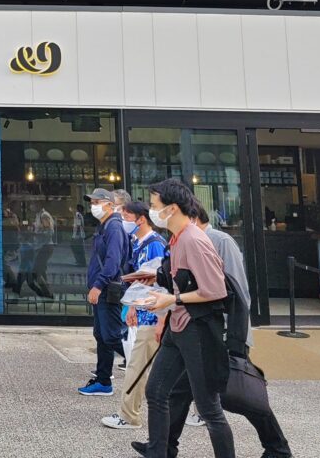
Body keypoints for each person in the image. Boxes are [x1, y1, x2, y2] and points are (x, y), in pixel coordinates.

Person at [135, 207, 292, 458]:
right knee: (179, 391)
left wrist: (231, 335)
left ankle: (278, 447)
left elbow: (237, 291)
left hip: (222, 332)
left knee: (241, 393)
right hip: (193, 330)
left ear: (192, 217)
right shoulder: (181, 241)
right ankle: (164, 446)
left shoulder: (219, 241)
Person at [138, 179, 235, 458]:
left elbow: (215, 290)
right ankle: (158, 452)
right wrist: (157, 279)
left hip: (198, 330)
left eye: (154, 205)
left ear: (171, 208)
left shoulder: (193, 240)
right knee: (156, 391)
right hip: (178, 326)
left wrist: (173, 300)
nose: (151, 211)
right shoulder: (177, 238)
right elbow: (183, 279)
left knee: (208, 408)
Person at [102, 198, 167, 430]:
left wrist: (158, 316)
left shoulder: (154, 245)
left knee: (137, 367)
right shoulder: (137, 243)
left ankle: (129, 415)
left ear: (141, 219)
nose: (124, 221)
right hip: (144, 313)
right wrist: (131, 307)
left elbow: (160, 284)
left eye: (127, 216)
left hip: (153, 315)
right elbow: (140, 282)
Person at [79, 188, 130, 396]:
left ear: (110, 204)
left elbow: (112, 261)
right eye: (92, 203)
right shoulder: (105, 226)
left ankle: (142, 363)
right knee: (101, 335)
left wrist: (98, 285)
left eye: (97, 202)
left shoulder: (114, 227)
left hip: (107, 289)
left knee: (111, 336)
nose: (94, 206)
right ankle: (103, 380)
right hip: (101, 289)